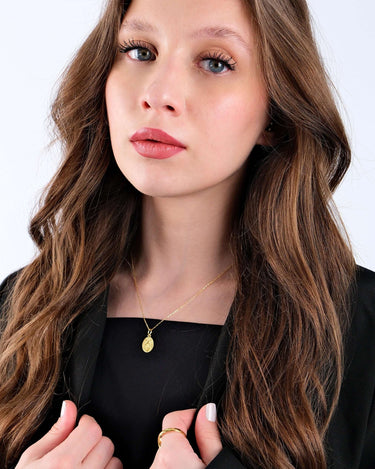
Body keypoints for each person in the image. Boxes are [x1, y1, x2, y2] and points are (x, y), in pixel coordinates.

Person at [0, 0, 374, 467]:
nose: (158, 93)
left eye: (215, 62)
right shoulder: (17, 311)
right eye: (139, 51)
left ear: (276, 115)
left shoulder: (361, 328)